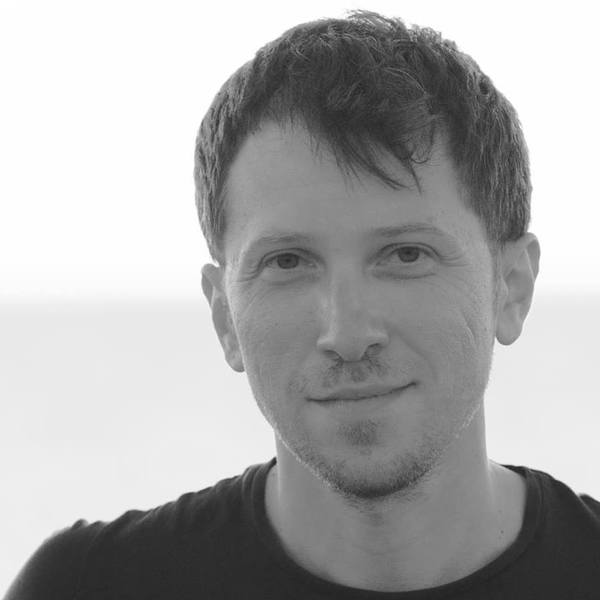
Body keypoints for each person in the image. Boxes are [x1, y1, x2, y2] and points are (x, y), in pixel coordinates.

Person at [5, 9, 600, 599]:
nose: (348, 334)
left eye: (405, 254)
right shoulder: (86, 587)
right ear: (224, 316)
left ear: (511, 286)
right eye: (288, 262)